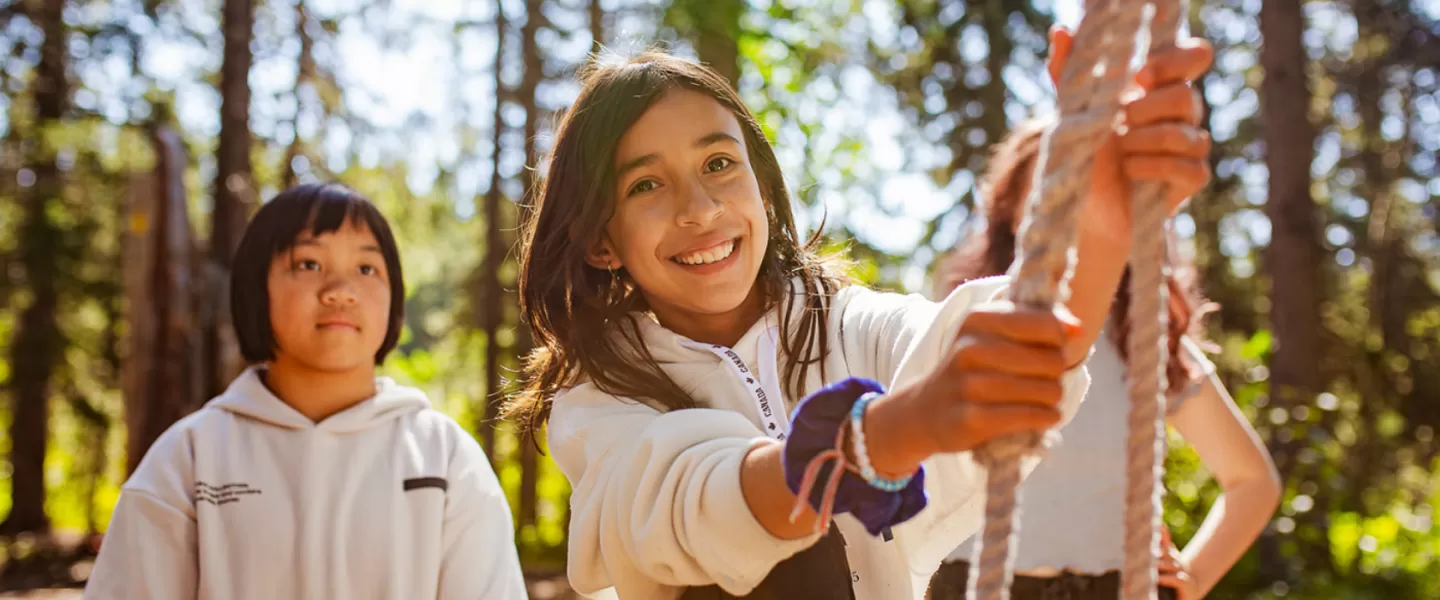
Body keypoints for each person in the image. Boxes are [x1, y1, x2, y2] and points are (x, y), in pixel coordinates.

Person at [504, 26, 1212, 599]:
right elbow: (694, 502)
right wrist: (892, 431)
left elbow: (994, 342)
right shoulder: (599, 402)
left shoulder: (844, 323)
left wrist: (1103, 233)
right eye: (647, 185)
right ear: (600, 241)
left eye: (719, 164)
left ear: (761, 180)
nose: (702, 209)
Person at [84, 183, 529, 600]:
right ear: (256, 289)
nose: (341, 291)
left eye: (366, 268)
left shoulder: (445, 459)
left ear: (393, 297)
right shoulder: (189, 458)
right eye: (309, 264)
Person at [925, 118, 1281, 600]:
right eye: (1054, 188)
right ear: (1012, 212)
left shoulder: (1146, 346)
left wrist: (1190, 580)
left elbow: (1252, 482)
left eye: (1093, 192)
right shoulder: (963, 328)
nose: (1079, 209)